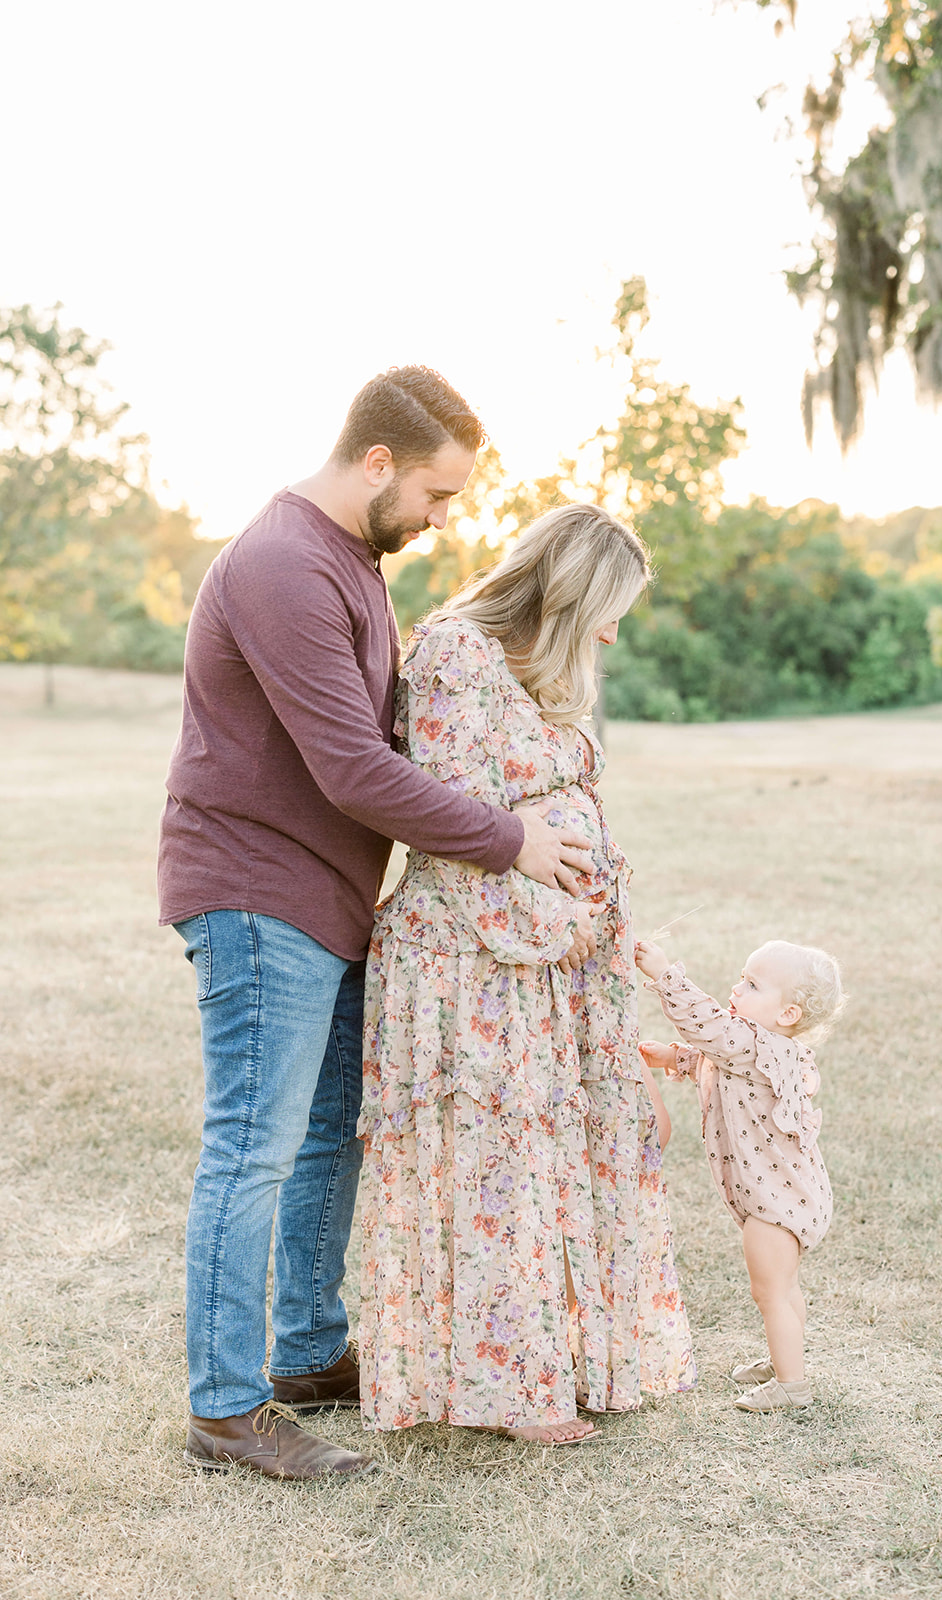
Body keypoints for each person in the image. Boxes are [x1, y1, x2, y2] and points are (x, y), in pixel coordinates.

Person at [158, 367, 594, 1481]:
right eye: (436, 497)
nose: (442, 521)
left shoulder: (346, 561)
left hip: (328, 898)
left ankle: (308, 1353)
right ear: (378, 462)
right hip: (259, 892)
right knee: (251, 1148)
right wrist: (511, 839)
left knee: (319, 1135)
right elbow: (354, 768)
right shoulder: (283, 567)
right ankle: (225, 1413)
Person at [357, 504, 695, 1446]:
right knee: (489, 1169)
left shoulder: (528, 674)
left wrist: (584, 924)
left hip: (540, 967)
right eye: (609, 607)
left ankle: (547, 1362)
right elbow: (455, 819)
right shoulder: (458, 655)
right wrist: (554, 918)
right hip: (470, 961)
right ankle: (504, 1394)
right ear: (570, 589)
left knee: (538, 1163)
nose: (614, 630)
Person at [634, 937, 845, 1412]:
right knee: (785, 1288)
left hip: (774, 1204)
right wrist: (674, 1059)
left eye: (752, 984)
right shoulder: (761, 1050)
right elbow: (717, 1059)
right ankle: (784, 1356)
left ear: (788, 1013)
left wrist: (666, 975)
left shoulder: (755, 1043)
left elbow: (709, 1030)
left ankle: (792, 1386)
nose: (737, 987)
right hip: (789, 1194)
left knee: (769, 1290)